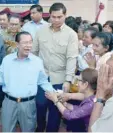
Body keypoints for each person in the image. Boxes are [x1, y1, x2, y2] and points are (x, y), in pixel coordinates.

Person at [0, 31, 55, 132]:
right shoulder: (7, 60)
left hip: (28, 104)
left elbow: (43, 81)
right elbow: (1, 79)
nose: (28, 46)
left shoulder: (37, 62)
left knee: (28, 130)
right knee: (7, 130)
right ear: (17, 44)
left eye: (30, 42)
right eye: (25, 43)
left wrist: (54, 93)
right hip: (9, 103)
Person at [32, 3, 79, 132]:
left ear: (65, 16)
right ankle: (40, 127)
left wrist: (68, 80)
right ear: (49, 16)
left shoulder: (71, 34)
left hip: (60, 78)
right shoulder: (41, 31)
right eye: (54, 17)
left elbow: (71, 59)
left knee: (55, 109)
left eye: (60, 17)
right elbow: (34, 53)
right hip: (42, 77)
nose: (56, 20)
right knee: (40, 105)